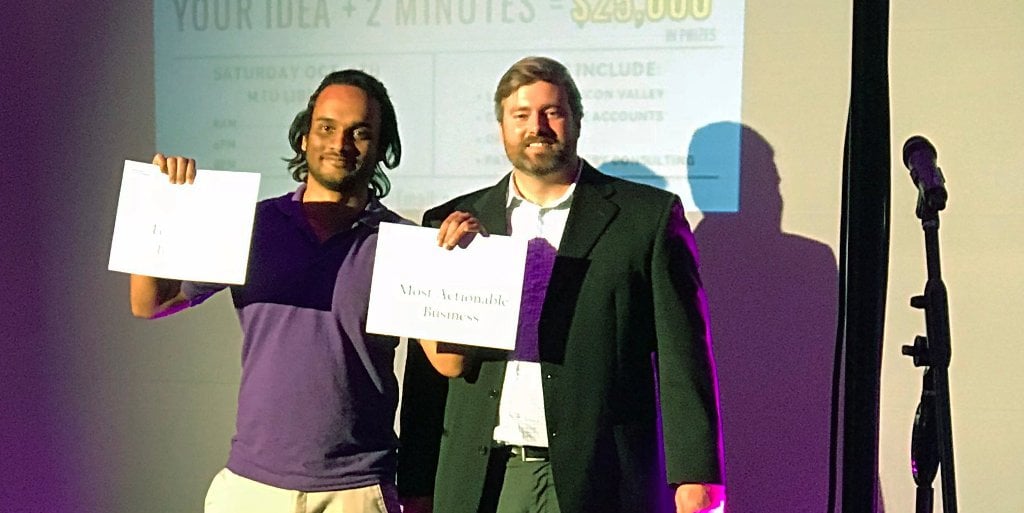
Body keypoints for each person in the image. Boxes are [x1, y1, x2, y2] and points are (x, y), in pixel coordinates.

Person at [398, 56, 726, 513]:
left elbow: (682, 356)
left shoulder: (645, 218)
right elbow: (426, 379)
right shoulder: (451, 223)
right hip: (485, 477)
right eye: (521, 115)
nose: (538, 126)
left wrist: (696, 474)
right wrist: (415, 479)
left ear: (576, 120)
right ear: (502, 127)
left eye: (552, 112)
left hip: (602, 477)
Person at [131, 69, 443, 513]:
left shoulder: (403, 243)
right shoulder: (252, 225)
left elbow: (447, 360)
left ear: (381, 149)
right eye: (327, 128)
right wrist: (159, 207)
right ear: (304, 138)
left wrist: (459, 256)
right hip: (251, 487)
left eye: (360, 132)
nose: (340, 143)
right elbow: (150, 302)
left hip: (356, 490)